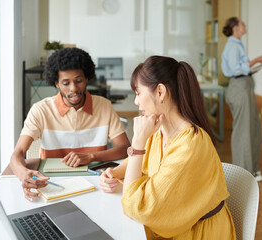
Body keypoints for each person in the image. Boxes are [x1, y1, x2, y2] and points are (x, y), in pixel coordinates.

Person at [100, 56, 236, 239]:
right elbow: (141, 163)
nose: (136, 102)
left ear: (160, 92)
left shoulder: (191, 144)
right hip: (179, 228)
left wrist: (138, 143)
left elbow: (138, 207)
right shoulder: (159, 131)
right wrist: (114, 173)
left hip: (198, 233)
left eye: (138, 93)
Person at [10, 47, 130, 201]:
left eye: (78, 81)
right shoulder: (41, 110)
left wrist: (90, 156)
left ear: (87, 78)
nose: (74, 88)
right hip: (53, 186)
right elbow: (17, 154)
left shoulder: (104, 106)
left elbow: (125, 148)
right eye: (66, 83)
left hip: (97, 185)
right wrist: (23, 174)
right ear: (56, 84)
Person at [221, 17, 262, 181]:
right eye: (242, 23)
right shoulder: (233, 46)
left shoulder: (236, 45)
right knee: (243, 130)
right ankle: (245, 172)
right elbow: (236, 69)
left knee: (252, 128)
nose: (245, 25)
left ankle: (251, 169)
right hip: (240, 88)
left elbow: (239, 68)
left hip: (244, 87)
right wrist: (256, 60)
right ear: (236, 28)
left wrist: (252, 68)